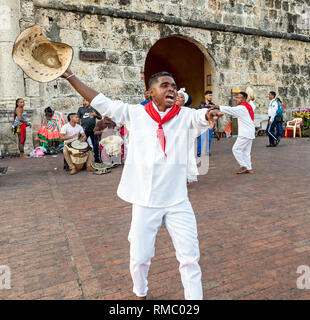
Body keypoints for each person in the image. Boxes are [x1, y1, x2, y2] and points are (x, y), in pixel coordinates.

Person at [60, 68, 223, 300]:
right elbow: (101, 101)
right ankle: (141, 292)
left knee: (190, 259)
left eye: (173, 86)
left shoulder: (184, 115)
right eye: (165, 85)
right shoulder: (134, 113)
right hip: (146, 202)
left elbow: (201, 117)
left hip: (178, 201)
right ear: (150, 93)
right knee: (139, 259)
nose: (171, 89)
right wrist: (69, 76)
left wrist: (209, 116)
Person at [213, 91, 256, 174]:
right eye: (237, 97)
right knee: (246, 152)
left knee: (235, 149)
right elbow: (237, 112)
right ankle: (249, 168)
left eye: (239, 97)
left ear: (243, 99)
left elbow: (231, 110)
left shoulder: (242, 107)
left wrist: (218, 107)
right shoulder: (248, 106)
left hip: (245, 133)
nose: (237, 99)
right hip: (249, 132)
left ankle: (243, 166)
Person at [176, 88, 198, 183]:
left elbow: (198, 116)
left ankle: (186, 176)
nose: (177, 98)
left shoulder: (188, 111)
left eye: (180, 97)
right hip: (173, 138)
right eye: (176, 95)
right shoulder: (168, 109)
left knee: (186, 157)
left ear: (184, 101)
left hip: (185, 137)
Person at [77, 98, 102, 163]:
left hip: (93, 130)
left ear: (90, 101)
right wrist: (78, 129)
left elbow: (100, 117)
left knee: (96, 145)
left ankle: (97, 159)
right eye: (83, 100)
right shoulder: (81, 109)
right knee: (82, 144)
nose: (84, 102)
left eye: (86, 100)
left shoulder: (94, 109)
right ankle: (82, 161)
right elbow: (78, 119)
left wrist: (95, 115)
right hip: (84, 130)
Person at [197, 90, 218, 156]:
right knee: (202, 138)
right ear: (205, 96)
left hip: (210, 124)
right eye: (209, 95)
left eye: (211, 95)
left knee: (208, 139)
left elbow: (215, 115)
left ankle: (207, 151)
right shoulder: (201, 105)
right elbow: (197, 114)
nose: (210, 97)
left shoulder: (213, 105)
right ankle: (199, 152)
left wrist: (215, 125)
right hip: (203, 124)